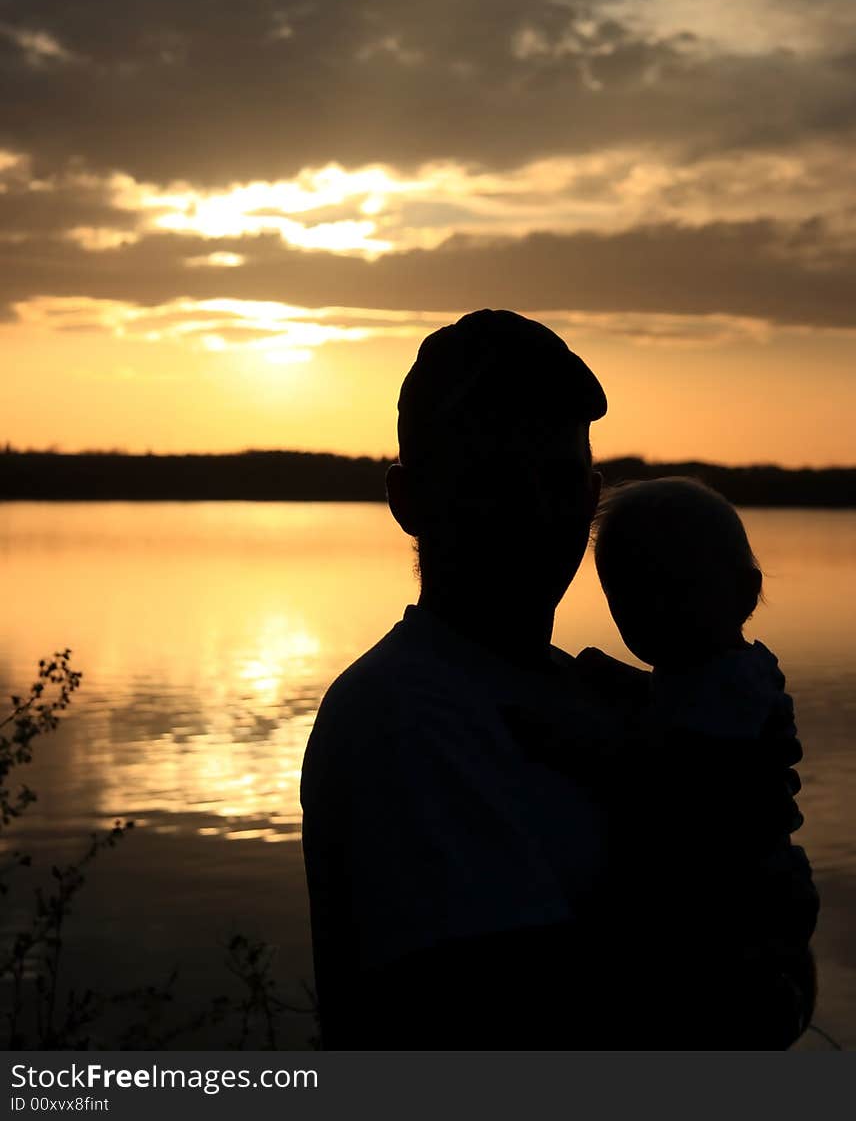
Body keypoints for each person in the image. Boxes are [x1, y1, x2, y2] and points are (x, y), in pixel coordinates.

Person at [300, 312, 814, 1048]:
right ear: (407, 500)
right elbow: (526, 1026)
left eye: (561, 479)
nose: (537, 511)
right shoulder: (402, 714)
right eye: (492, 480)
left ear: (591, 496)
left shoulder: (599, 699)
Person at [513, 477, 818, 1046]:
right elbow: (667, 705)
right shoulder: (703, 669)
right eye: (628, 596)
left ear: (744, 595)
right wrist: (614, 680)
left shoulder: (734, 686)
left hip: (742, 904)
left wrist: (563, 740)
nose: (654, 612)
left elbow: (670, 764)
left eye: (675, 590)